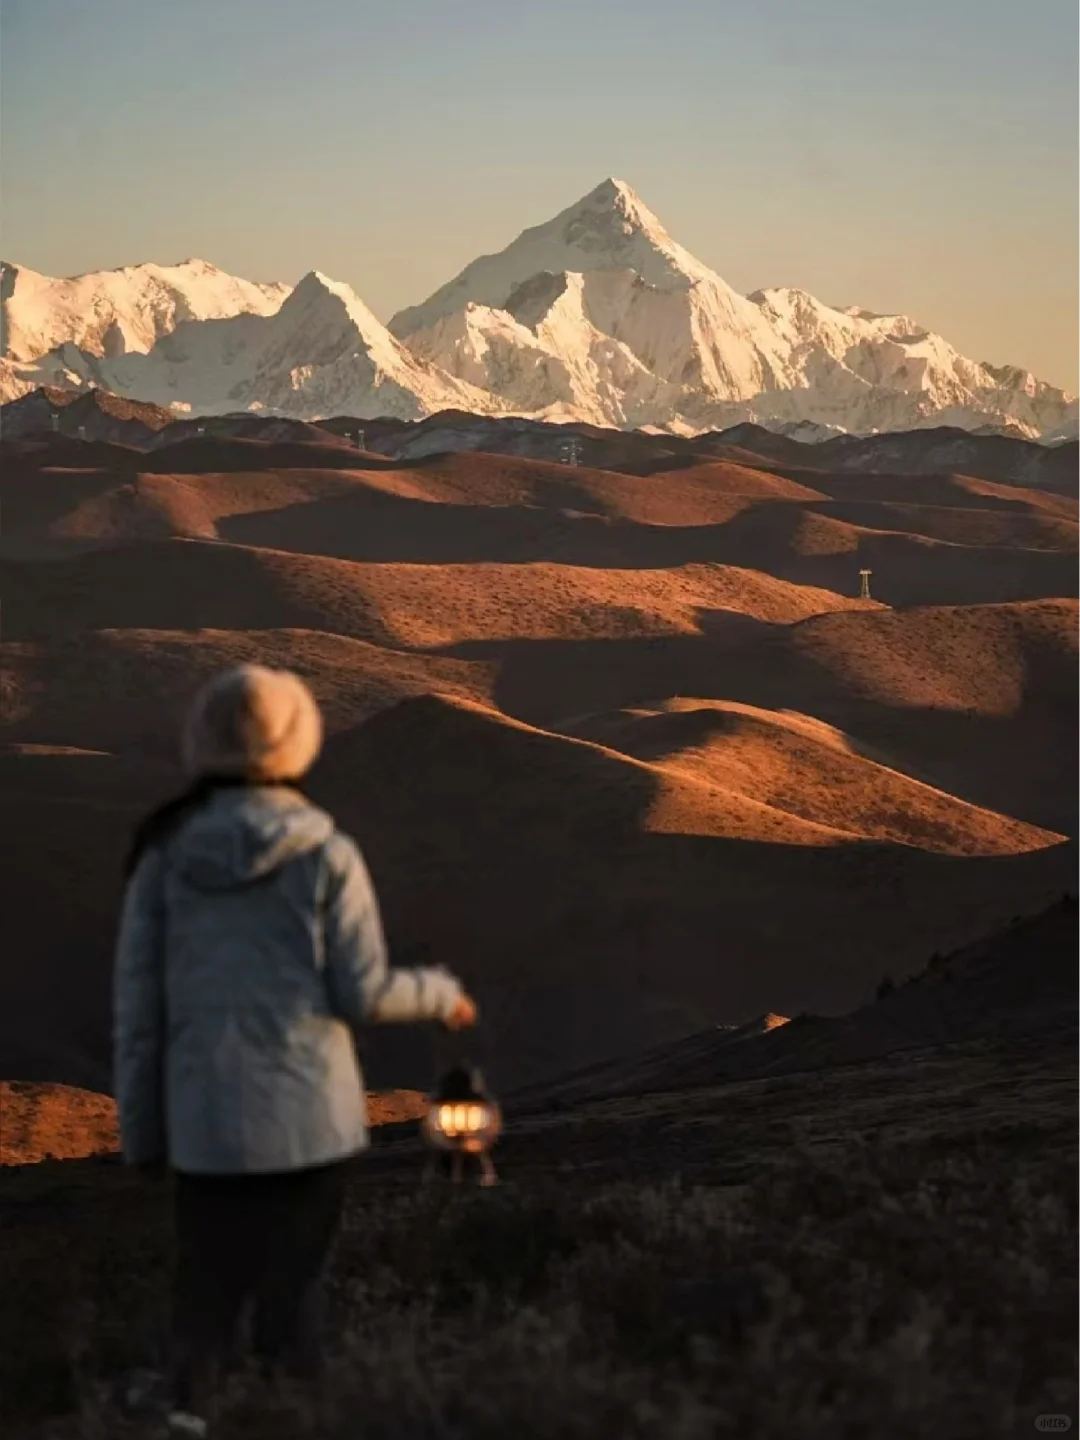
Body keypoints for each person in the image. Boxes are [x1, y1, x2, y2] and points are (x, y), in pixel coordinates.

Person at [113, 664, 477, 1437]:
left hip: (204, 1119)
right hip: (308, 1120)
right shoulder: (325, 855)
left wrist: (142, 1134)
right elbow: (363, 993)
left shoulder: (162, 859)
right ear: (297, 742)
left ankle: (186, 1419)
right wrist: (439, 996)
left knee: (203, 1299)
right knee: (295, 1302)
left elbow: (139, 1015)